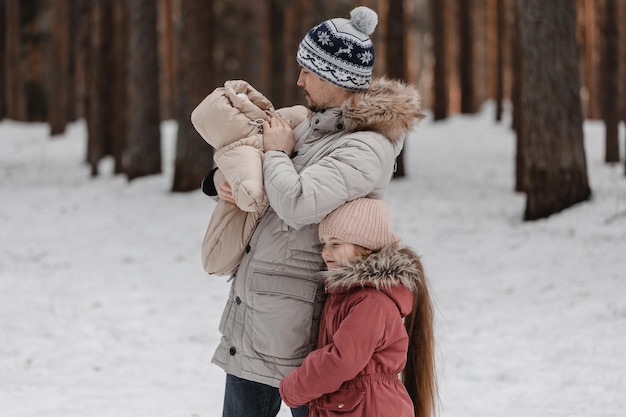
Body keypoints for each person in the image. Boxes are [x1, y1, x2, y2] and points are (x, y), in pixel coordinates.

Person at [202, 6, 425, 417]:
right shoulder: (313, 126)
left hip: (298, 322)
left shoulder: (366, 148)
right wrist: (218, 180)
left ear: (337, 79)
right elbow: (260, 176)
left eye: (309, 72)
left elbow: (296, 202)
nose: (298, 80)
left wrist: (275, 153)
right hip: (262, 312)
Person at [278, 198, 437, 417]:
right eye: (324, 243)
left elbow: (342, 360)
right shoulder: (347, 295)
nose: (325, 252)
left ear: (365, 248)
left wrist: (293, 387)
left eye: (336, 244)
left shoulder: (370, 303)